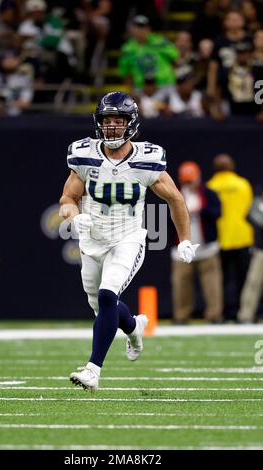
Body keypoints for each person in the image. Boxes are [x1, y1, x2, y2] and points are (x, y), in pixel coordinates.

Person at [59, 91, 198, 391]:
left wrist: (184, 239)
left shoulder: (147, 159)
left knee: (109, 295)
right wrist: (72, 216)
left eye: (117, 121)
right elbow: (68, 198)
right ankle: (134, 328)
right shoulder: (85, 154)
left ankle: (93, 370)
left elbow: (175, 198)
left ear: (130, 124)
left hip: (128, 238)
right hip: (92, 240)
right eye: (106, 121)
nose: (111, 127)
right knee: (100, 305)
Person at [171, 162, 223, 324]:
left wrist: (201, 210)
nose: (189, 184)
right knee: (181, 285)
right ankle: (181, 316)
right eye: (186, 181)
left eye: (191, 180)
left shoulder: (208, 193)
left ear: (198, 178)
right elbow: (165, 218)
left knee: (212, 285)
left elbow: (218, 213)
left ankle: (214, 315)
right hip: (182, 250)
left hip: (206, 248)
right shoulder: (175, 195)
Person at [207, 154, 254, 318]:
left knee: (220, 281)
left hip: (220, 238)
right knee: (245, 279)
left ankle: (225, 312)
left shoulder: (211, 186)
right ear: (232, 166)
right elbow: (250, 209)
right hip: (242, 237)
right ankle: (244, 311)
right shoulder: (243, 185)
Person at [237, 190, 263, 323]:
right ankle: (246, 315)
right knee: (253, 283)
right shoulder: (257, 203)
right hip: (260, 250)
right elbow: (248, 216)